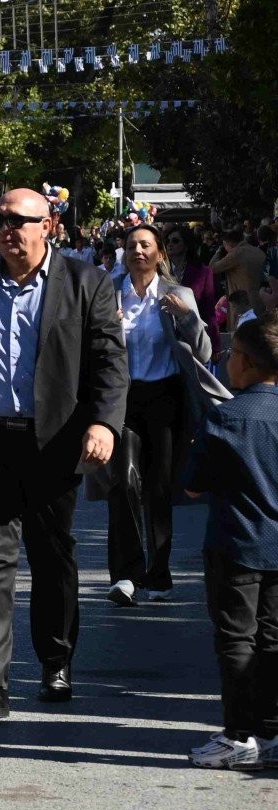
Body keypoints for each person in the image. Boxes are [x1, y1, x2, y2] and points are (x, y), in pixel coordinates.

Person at [0, 188, 128, 719]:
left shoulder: (87, 282)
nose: (7, 230)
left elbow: (109, 361)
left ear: (49, 225)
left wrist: (104, 423)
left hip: (54, 443)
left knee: (52, 555)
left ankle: (56, 662)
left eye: (19, 221)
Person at [185, 315, 278, 770]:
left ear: (246, 362)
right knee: (274, 638)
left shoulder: (225, 416)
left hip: (237, 541)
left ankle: (239, 734)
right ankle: (271, 731)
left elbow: (194, 484)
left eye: (230, 354)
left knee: (236, 639)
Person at [105, 222, 214, 608]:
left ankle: (159, 572)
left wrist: (187, 317)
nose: (138, 252)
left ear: (159, 254)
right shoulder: (111, 293)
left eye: (146, 245)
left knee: (158, 488)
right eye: (132, 245)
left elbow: (203, 353)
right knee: (123, 482)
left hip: (166, 398)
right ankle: (126, 575)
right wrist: (109, 327)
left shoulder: (177, 293)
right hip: (124, 400)